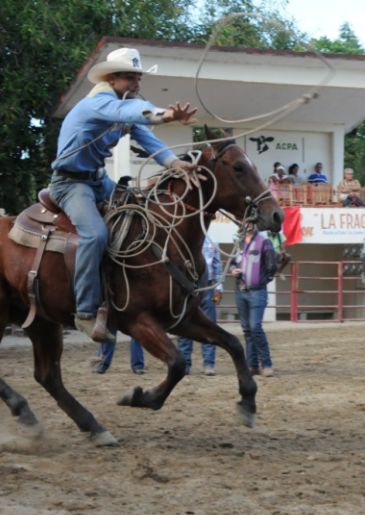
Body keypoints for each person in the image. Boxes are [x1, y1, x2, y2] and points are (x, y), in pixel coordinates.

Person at [50, 47, 197, 342]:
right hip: (70, 184)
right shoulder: (99, 104)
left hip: (99, 181)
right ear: (113, 78)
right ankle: (85, 310)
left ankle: (128, 294)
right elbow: (132, 112)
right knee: (95, 235)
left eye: (138, 77)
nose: (136, 83)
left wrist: (174, 162)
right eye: (131, 78)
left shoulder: (123, 106)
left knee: (141, 216)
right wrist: (166, 114)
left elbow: (148, 138)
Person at [231, 226, 279, 377]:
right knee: (247, 329)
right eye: (246, 222)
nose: (248, 225)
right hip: (241, 291)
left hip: (257, 291)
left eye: (252, 222)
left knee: (255, 327)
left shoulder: (264, 241)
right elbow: (233, 262)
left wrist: (261, 278)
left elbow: (272, 265)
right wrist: (233, 270)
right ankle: (252, 365)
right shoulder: (239, 242)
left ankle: (267, 364)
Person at [178, 237, 223, 376]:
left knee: (209, 326)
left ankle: (209, 364)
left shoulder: (212, 242)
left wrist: (218, 288)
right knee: (184, 324)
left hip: (208, 287)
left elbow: (217, 266)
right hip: (189, 286)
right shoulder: (186, 242)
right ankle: (185, 363)